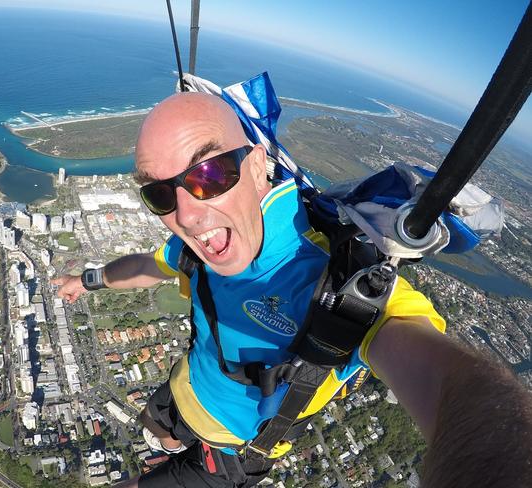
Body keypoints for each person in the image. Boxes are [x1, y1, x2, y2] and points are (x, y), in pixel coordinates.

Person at [53, 92, 531, 487]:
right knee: (156, 430)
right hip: (185, 390)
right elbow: (145, 265)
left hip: (236, 451)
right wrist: (86, 280)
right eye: (159, 193)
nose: (186, 215)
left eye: (209, 175)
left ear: (259, 166)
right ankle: (170, 443)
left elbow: (458, 392)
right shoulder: (198, 252)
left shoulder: (344, 290)